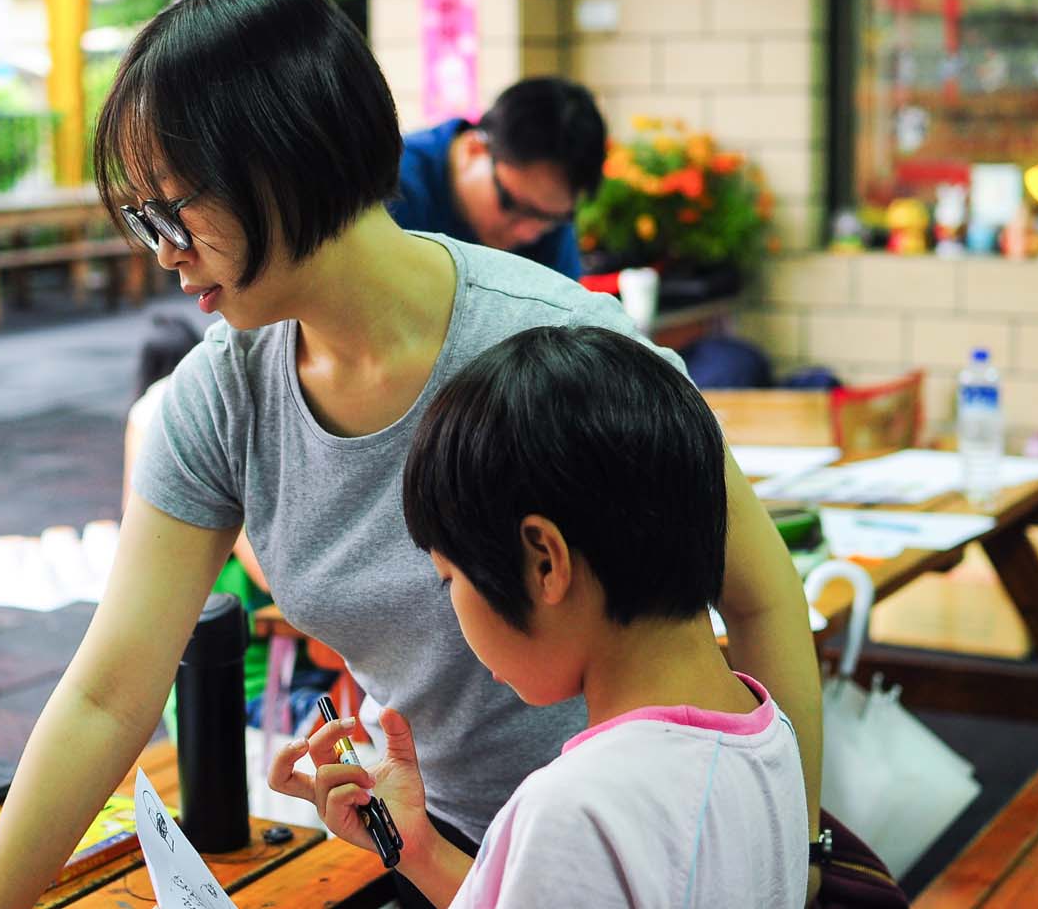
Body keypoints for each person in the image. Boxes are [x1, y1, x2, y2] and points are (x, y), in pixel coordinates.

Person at [0, 0, 820, 909]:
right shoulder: (222, 396)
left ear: (280, 162)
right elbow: (106, 697)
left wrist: (798, 856)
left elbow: (762, 599)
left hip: (637, 856)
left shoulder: (564, 347)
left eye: (174, 209)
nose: (162, 249)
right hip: (439, 854)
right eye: (141, 219)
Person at [275, 325, 810, 907]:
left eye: (451, 580)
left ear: (545, 561)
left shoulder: (575, 810)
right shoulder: (766, 733)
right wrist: (419, 848)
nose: (455, 610)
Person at [388, 77, 604, 280]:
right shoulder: (390, 186)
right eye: (510, 205)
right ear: (474, 148)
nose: (527, 234)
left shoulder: (549, 215)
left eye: (550, 220)